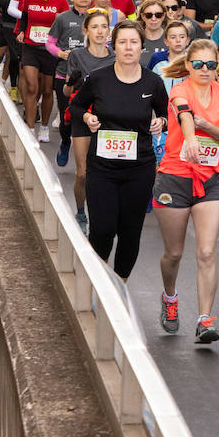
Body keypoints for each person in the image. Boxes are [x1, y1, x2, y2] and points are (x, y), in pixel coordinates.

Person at [151, 38, 219, 343]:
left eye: (211, 65)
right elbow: (184, 113)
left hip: (211, 177)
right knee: (174, 253)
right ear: (188, 65)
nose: (205, 70)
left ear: (217, 67)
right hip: (175, 177)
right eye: (199, 64)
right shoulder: (179, 89)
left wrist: (208, 128)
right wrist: (191, 137)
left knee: (205, 251)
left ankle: (205, 319)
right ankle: (170, 297)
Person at [70, 21, 169, 280]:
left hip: (139, 168)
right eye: (123, 42)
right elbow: (76, 107)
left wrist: (162, 122)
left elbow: (165, 113)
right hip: (102, 168)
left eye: (133, 42)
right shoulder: (99, 79)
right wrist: (87, 118)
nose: (128, 47)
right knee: (102, 229)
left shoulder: (153, 82)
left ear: (141, 47)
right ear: (114, 46)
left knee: (130, 230)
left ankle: (121, 283)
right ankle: (97, 282)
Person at [61, 9, 113, 230]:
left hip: (108, 117)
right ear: (86, 30)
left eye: (103, 26)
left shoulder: (115, 57)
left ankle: (103, 214)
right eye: (95, 27)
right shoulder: (77, 56)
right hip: (82, 114)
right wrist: (71, 82)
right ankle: (81, 213)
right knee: (82, 173)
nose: (99, 31)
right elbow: (65, 93)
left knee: (105, 172)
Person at [13, 0, 67, 142]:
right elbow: (25, 18)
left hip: (50, 51)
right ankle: (29, 128)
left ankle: (43, 127)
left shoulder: (60, 1)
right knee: (31, 86)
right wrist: (21, 31)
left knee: (46, 90)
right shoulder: (28, 0)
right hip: (31, 47)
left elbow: (64, 26)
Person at [44, 0, 95, 167]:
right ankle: (65, 142)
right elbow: (49, 43)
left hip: (89, 75)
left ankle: (91, 155)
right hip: (64, 73)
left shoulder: (95, 18)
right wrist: (60, 53)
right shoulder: (62, 18)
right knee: (67, 115)